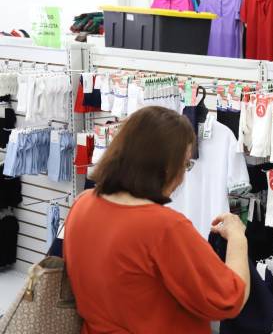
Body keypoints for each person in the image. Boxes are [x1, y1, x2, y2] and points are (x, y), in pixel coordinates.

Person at [64, 106, 251, 334]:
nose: (183, 177)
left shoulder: (82, 204)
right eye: (184, 165)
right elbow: (229, 298)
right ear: (165, 168)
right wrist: (238, 238)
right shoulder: (164, 227)